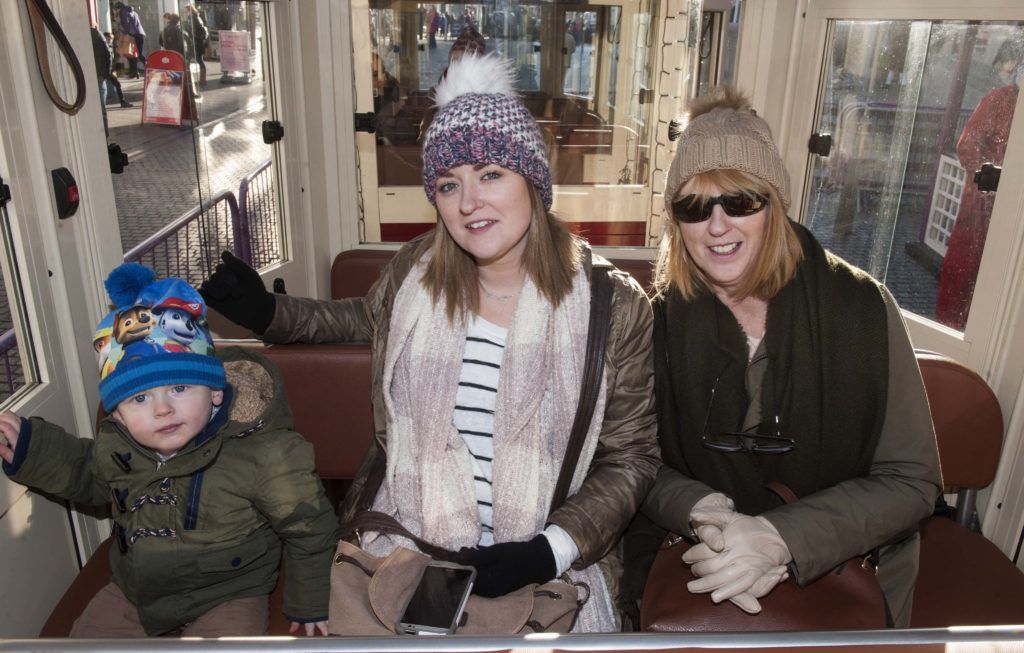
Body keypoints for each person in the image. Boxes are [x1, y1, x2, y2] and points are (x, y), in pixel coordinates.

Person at [200, 53, 660, 632]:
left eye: (491, 174)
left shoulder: (613, 307)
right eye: (449, 184)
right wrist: (265, 311)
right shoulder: (417, 272)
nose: (469, 203)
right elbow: (359, 322)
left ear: (533, 181)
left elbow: (632, 457)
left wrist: (548, 550)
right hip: (413, 541)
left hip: (553, 556)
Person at [626, 86, 942, 628]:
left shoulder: (863, 308)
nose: (718, 225)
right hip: (700, 558)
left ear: (775, 203)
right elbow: (634, 460)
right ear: (676, 222)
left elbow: (911, 480)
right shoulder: (655, 321)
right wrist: (705, 511)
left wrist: (780, 538)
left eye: (741, 201)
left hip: (848, 570)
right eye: (695, 207)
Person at [0, 264, 337, 637]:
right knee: (84, 646)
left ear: (214, 393)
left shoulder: (263, 453)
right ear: (120, 417)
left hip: (230, 591)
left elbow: (309, 526)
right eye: (141, 398)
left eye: (179, 389)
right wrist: (33, 448)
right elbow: (89, 474)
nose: (162, 409)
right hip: (136, 588)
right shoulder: (119, 443)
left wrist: (309, 603)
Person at [935, 40, 1022, 330]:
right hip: (981, 208)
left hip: (1011, 217)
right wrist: (994, 180)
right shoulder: (1001, 99)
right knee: (965, 275)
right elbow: (968, 145)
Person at [115, 2, 146, 78]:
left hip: (132, 35)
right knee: (136, 54)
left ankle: (138, 71)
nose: (116, 11)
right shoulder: (133, 12)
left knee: (131, 54)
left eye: (116, 9)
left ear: (118, 8)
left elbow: (126, 23)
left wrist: (126, 33)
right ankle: (135, 71)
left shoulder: (123, 12)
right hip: (139, 34)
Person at [102, 32, 133, 108]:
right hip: (104, 70)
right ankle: (121, 102)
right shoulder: (103, 47)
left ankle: (122, 102)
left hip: (110, 70)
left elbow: (113, 60)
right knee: (102, 87)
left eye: (111, 39)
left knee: (117, 84)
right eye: (108, 39)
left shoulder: (111, 47)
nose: (110, 40)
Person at [186, 5, 209, 86]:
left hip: (197, 43)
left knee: (199, 60)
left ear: (189, 10)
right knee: (197, 60)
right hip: (196, 42)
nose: (185, 12)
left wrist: (194, 35)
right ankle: (201, 80)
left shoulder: (195, 18)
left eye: (186, 10)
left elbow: (199, 30)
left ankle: (202, 80)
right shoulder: (194, 17)